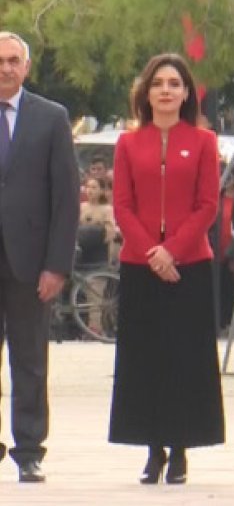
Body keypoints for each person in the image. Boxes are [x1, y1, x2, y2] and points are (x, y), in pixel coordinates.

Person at [108, 53, 225, 485]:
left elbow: (207, 205)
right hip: (140, 266)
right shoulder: (127, 143)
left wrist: (172, 251)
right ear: (147, 91)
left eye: (175, 83)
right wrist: (151, 252)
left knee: (184, 358)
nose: (166, 90)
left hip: (188, 265)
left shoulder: (202, 142)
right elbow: (121, 205)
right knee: (146, 358)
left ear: (186, 92)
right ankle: (152, 448)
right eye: (159, 82)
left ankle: (180, 449)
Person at [0, 31, 79, 482]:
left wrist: (57, 265)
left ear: (26, 67)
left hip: (31, 262)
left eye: (14, 60)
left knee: (29, 359)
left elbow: (66, 198)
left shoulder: (51, 118)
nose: (6, 68)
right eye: (0, 60)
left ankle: (29, 449)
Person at [78, 177, 117, 336]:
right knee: (82, 292)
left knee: (96, 293)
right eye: (88, 187)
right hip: (82, 252)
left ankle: (95, 328)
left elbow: (110, 232)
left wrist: (94, 231)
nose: (91, 191)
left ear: (101, 190)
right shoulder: (81, 207)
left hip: (98, 254)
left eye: (94, 187)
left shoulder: (107, 209)